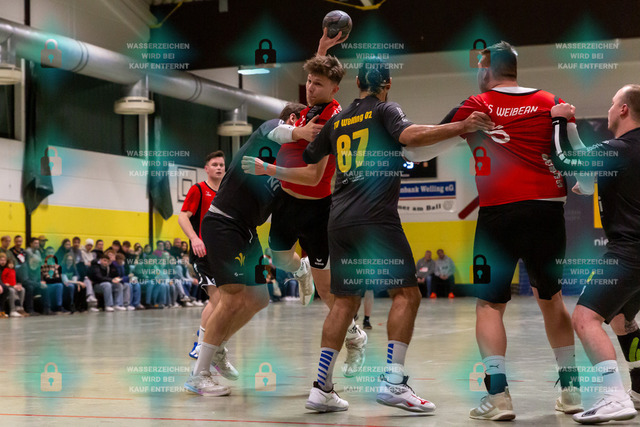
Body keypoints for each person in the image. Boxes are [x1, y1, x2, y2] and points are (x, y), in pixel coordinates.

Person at [243, 57, 493, 413]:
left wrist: (295, 138)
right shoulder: (386, 109)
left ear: (357, 83)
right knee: (407, 294)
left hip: (339, 220)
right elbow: (410, 136)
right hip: (376, 218)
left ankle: (321, 389)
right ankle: (393, 382)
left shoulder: (337, 119)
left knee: (344, 302)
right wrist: (462, 126)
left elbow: (310, 154)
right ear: (387, 84)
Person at [434, 41, 581, 420]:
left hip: (497, 215)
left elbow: (420, 150)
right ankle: (571, 392)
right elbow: (573, 157)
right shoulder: (552, 101)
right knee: (551, 299)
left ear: (487, 69)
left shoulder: (475, 105)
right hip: (548, 211)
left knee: (489, 305)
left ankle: (498, 397)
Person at [265, 30, 369, 378]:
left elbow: (312, 177)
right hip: (286, 202)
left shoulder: (331, 118)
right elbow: (319, 70)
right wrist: (323, 46)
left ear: (334, 90)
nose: (310, 88)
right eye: (308, 82)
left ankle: (355, 337)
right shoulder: (311, 105)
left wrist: (269, 169)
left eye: (318, 84)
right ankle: (301, 270)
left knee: (327, 292)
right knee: (280, 258)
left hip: (316, 209)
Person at [183, 102, 305, 397]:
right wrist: (308, 132)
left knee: (261, 298)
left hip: (249, 234)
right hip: (223, 224)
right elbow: (277, 129)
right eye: (305, 122)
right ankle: (199, 375)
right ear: (292, 119)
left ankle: (218, 347)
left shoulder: (287, 167)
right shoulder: (268, 134)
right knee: (232, 297)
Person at [550, 85, 640, 423]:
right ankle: (639, 389)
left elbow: (567, 160)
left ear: (624, 110)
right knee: (621, 319)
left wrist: (560, 122)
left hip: (628, 250)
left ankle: (614, 397)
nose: (609, 107)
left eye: (613, 102)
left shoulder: (620, 147)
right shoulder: (625, 151)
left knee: (585, 319)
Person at [178, 150, 226, 359]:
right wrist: (194, 238)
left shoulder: (226, 192)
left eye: (221, 165)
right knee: (217, 300)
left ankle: (210, 342)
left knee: (226, 301)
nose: (219, 168)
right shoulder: (198, 189)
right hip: (203, 254)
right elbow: (182, 217)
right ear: (206, 169)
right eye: (214, 164)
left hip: (223, 255)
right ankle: (200, 345)